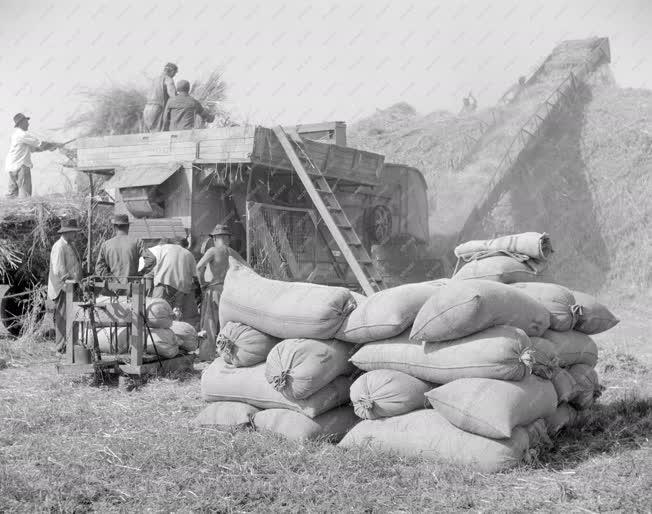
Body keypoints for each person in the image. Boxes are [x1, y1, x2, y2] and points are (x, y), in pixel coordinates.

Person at [195, 225, 247, 357]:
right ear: (228, 239)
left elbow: (199, 267)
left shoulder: (212, 251)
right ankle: (227, 354)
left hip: (214, 290)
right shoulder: (232, 252)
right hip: (229, 291)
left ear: (215, 238)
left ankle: (206, 355)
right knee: (227, 324)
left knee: (210, 323)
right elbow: (247, 268)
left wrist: (202, 283)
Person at [47, 218, 83, 352]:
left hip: (71, 286)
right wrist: (69, 281)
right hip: (62, 288)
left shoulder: (70, 245)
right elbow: (58, 270)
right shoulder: (59, 246)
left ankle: (71, 346)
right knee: (63, 318)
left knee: (72, 316)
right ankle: (60, 348)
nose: (76, 234)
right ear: (67, 232)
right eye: (74, 232)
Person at [5, 113, 61, 197]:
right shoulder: (23, 134)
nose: (28, 124)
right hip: (21, 167)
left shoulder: (16, 135)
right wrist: (54, 145)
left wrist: (49, 147)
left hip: (11, 168)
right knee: (25, 196)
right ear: (21, 123)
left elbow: (35, 149)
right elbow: (41, 144)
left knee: (11, 196)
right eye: (26, 121)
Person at [151, 237, 200, 327]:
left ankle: (160, 333)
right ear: (185, 246)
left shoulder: (163, 248)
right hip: (181, 289)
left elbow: (149, 262)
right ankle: (176, 331)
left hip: (162, 284)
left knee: (156, 311)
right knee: (177, 313)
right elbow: (195, 274)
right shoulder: (188, 253)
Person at [95, 214, 156, 284]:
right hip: (132, 288)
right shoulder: (137, 242)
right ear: (128, 226)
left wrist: (110, 278)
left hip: (113, 288)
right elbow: (152, 259)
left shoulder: (106, 245)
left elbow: (99, 268)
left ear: (114, 227)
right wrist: (141, 274)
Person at [143, 63, 178, 132]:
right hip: (157, 109)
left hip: (146, 109)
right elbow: (173, 96)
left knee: (150, 135)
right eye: (175, 73)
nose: (174, 75)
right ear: (172, 71)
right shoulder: (168, 79)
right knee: (159, 134)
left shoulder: (154, 80)